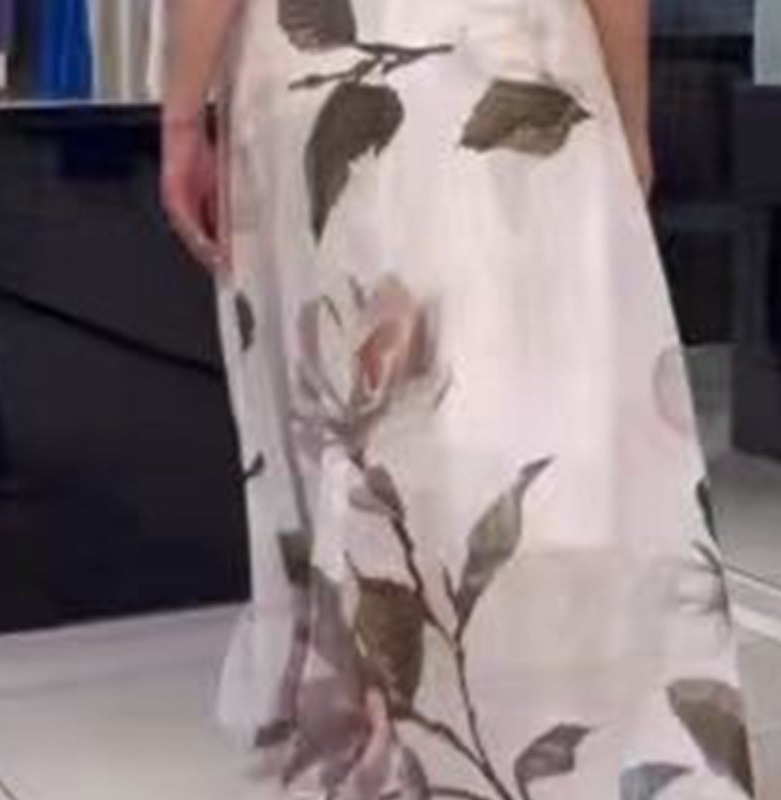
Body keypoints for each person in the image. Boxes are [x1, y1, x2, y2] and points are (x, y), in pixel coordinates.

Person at [162, 1, 756, 797]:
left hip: (327, 68)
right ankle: (596, 738)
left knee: (368, 415)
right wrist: (628, 115)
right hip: (529, 59)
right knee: (557, 417)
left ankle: (403, 743)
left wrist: (180, 117)